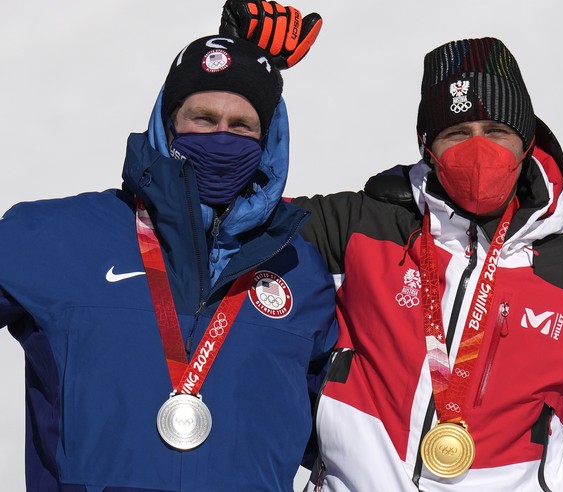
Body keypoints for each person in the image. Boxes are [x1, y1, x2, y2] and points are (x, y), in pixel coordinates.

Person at [221, 3, 563, 490]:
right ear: (427, 145)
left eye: (497, 132)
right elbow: (228, 215)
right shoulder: (358, 228)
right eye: (457, 133)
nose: (479, 150)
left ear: (526, 144)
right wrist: (243, 75)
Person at [0, 30, 337, 491]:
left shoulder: (299, 270)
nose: (222, 137)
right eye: (202, 118)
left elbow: (348, 430)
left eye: (242, 126)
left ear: (267, 140)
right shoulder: (57, 236)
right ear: (167, 123)